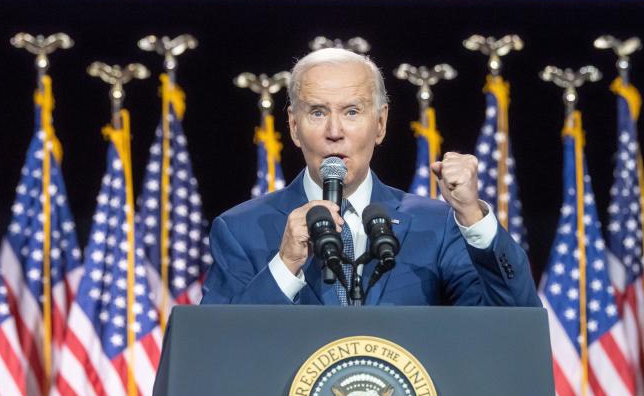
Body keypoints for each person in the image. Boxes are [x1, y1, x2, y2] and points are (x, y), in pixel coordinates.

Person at [202, 47, 538, 307]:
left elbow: (510, 315)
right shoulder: (240, 230)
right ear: (293, 126)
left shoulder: (437, 226)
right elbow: (219, 351)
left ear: (380, 123)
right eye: (318, 112)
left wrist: (472, 216)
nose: (334, 132)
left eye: (351, 111)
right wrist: (286, 265)